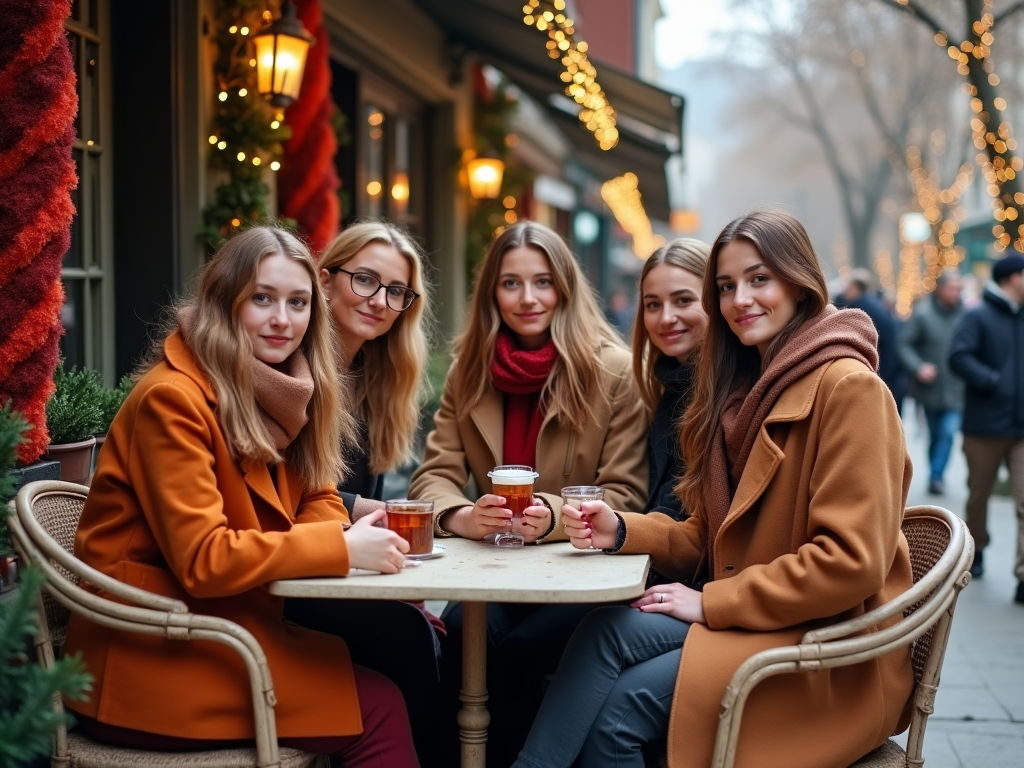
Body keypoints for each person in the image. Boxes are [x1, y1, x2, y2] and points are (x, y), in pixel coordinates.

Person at [513, 210, 915, 768]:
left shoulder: (850, 390)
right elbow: (711, 533)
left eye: (759, 279)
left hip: (826, 641)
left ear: (799, 283)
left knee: (620, 713)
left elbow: (850, 563)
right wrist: (623, 527)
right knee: (600, 629)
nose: (740, 300)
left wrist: (710, 602)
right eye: (726, 286)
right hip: (764, 614)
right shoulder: (746, 390)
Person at [63, 227, 419, 765]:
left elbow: (317, 494)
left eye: (298, 302)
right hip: (152, 656)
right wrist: (339, 548)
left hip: (226, 628)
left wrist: (323, 535)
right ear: (224, 303)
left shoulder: (285, 388)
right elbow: (205, 559)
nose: (283, 319)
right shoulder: (173, 400)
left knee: (395, 654)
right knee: (382, 705)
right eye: (263, 299)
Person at [408, 220, 648, 765]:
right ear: (492, 291)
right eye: (511, 283)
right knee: (457, 637)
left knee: (512, 653)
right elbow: (434, 475)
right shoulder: (470, 371)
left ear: (563, 287)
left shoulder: (610, 372)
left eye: (542, 282)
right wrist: (462, 516)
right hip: (498, 571)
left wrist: (555, 516)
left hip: (580, 576)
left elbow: (627, 496)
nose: (527, 298)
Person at [279, 221, 443, 763]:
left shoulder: (375, 377)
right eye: (365, 280)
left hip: (337, 570)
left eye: (396, 291)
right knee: (411, 637)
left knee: (442, 635)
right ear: (324, 282)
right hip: (285, 577)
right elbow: (283, 490)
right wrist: (373, 510)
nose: (380, 300)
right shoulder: (288, 372)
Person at [948, 252, 1024, 599]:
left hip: (1021, 426)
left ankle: (1023, 575)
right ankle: (975, 550)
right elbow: (959, 356)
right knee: (979, 496)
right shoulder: (977, 315)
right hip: (985, 427)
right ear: (1013, 278)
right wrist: (993, 381)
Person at [632, 238, 710, 519]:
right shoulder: (666, 388)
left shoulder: (731, 392)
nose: (666, 317)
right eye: (653, 304)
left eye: (683, 300)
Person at [897, 268, 966, 494]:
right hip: (930, 388)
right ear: (941, 289)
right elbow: (904, 344)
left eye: (959, 288)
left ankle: (936, 476)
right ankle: (935, 472)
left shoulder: (966, 315)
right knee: (935, 435)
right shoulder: (923, 314)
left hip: (956, 388)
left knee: (948, 432)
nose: (956, 293)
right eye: (952, 288)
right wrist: (919, 367)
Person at [840, 268, 903, 406]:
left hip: (878, 373)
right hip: (884, 372)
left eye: (847, 286)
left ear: (855, 287)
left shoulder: (861, 309)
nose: (845, 291)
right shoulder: (874, 305)